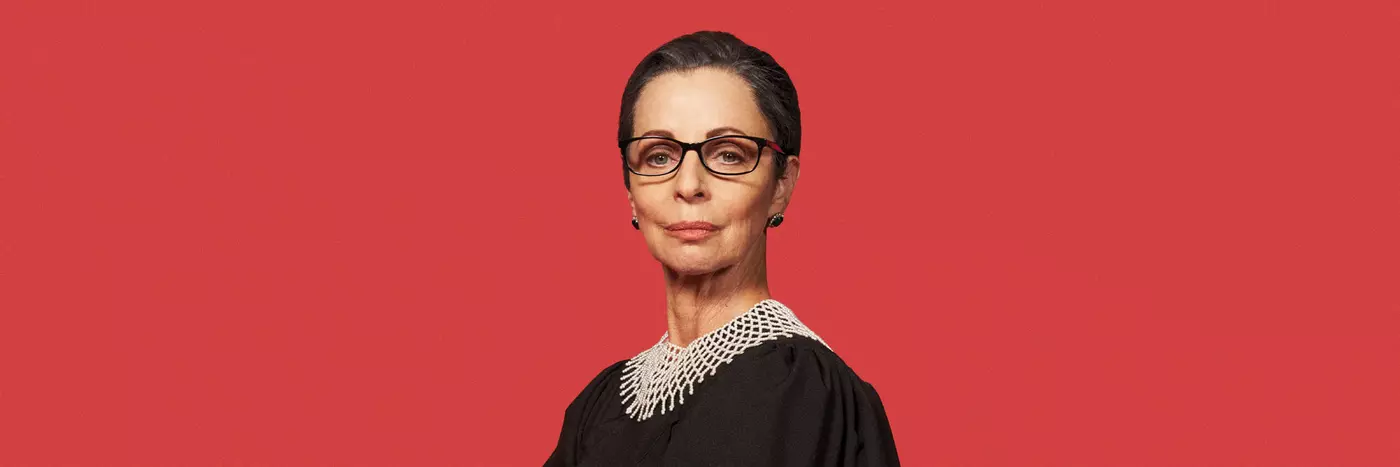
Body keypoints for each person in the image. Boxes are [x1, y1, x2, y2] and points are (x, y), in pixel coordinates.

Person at [544, 30, 900, 466]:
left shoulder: (804, 390)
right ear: (630, 190)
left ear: (781, 186)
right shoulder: (596, 407)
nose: (689, 185)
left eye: (727, 154)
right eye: (658, 156)